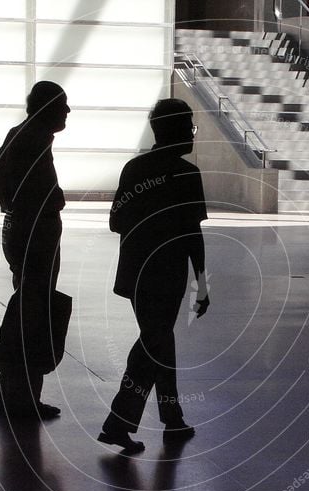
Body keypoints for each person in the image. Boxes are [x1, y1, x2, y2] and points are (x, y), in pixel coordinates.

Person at [99, 98, 210, 453]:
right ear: (177, 130)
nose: (193, 133)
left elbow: (116, 221)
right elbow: (193, 234)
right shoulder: (187, 175)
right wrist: (202, 283)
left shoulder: (134, 170)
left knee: (160, 340)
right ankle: (119, 421)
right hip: (167, 274)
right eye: (190, 126)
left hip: (136, 272)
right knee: (153, 343)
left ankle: (172, 416)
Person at [0, 80, 71, 419]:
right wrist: (31, 208)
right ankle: (21, 400)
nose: (67, 111)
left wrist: (14, 206)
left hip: (26, 230)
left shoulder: (24, 134)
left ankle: (11, 394)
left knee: (29, 308)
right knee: (34, 313)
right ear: (47, 107)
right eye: (63, 105)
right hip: (35, 236)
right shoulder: (32, 139)